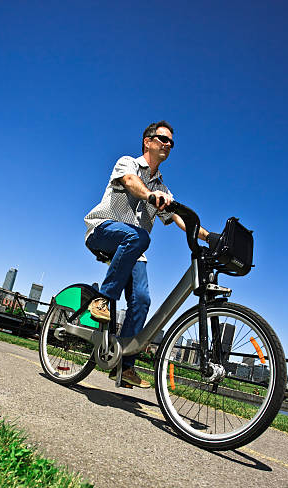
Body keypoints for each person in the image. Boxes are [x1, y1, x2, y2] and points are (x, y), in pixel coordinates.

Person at [84, 121, 210, 388]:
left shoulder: (163, 188)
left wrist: (209, 236)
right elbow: (131, 183)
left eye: (171, 142)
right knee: (138, 235)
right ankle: (102, 300)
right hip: (103, 228)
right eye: (162, 139)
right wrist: (150, 195)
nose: (167, 145)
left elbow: (177, 217)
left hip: (134, 248)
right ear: (147, 141)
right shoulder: (127, 163)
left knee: (141, 299)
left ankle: (124, 365)